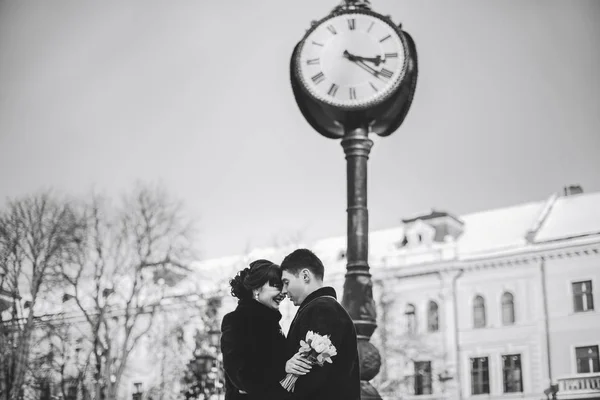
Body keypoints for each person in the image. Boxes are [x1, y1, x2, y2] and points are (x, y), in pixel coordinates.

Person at [280, 249, 360, 400]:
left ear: (305, 276)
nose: (284, 291)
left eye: (286, 282)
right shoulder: (324, 306)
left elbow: (313, 376)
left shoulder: (322, 309)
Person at [221, 259, 302, 400]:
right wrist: (284, 368)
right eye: (277, 286)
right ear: (256, 288)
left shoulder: (272, 324)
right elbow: (243, 377)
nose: (284, 292)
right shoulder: (236, 321)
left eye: (284, 286)